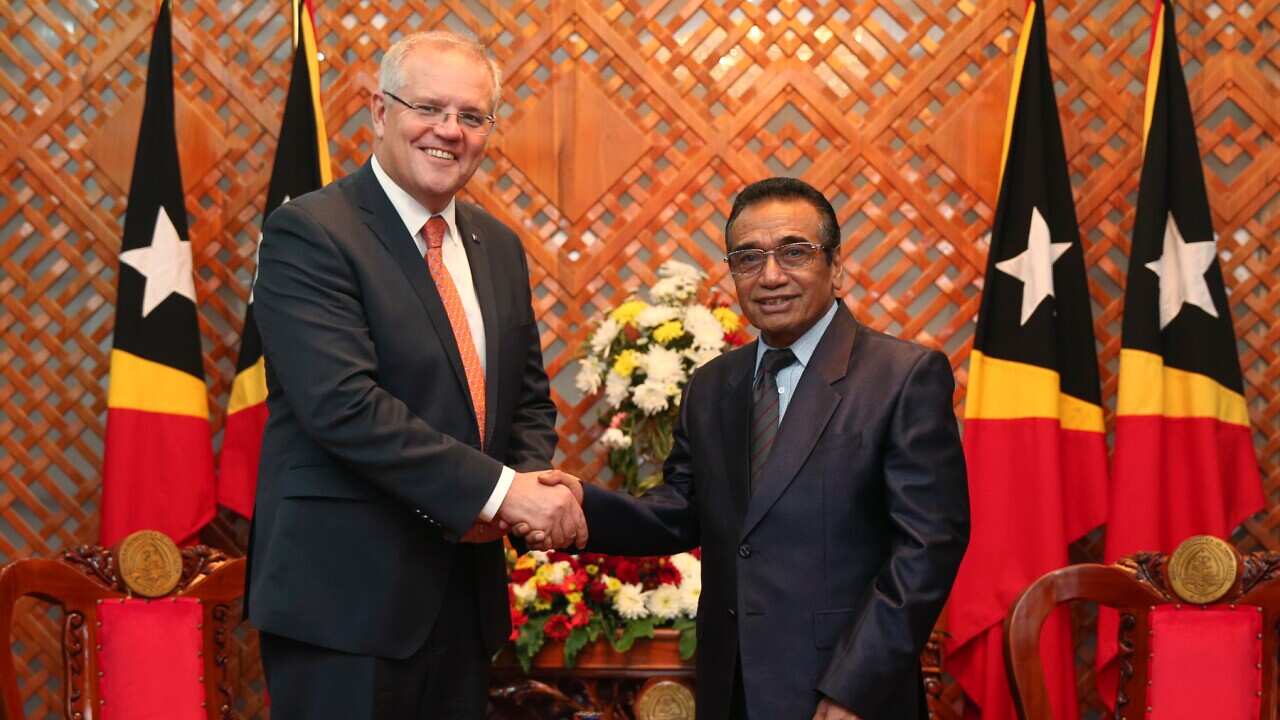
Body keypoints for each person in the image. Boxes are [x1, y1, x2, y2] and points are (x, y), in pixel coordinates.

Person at [245, 30, 587, 719]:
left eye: (472, 116)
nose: (449, 131)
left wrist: (530, 485)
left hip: (463, 602)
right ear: (380, 111)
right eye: (428, 108)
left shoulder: (498, 246)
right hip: (344, 607)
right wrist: (503, 494)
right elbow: (344, 406)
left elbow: (526, 399)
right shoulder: (310, 232)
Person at [545, 178, 969, 719]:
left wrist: (855, 689)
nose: (770, 276)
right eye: (748, 258)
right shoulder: (713, 384)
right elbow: (681, 511)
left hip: (844, 695)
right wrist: (577, 507)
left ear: (837, 267)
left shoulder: (902, 376)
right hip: (733, 691)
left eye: (794, 252)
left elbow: (928, 548)